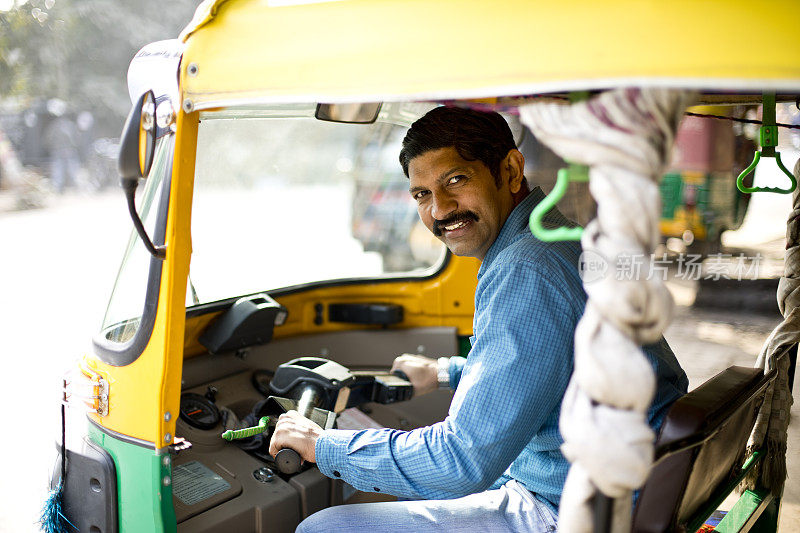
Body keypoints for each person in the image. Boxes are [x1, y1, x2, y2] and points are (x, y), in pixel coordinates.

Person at [269, 107, 689, 532]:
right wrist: (447, 371)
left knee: (324, 528)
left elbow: (461, 460)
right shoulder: (560, 240)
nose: (441, 209)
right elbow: (552, 368)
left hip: (572, 509)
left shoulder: (527, 270)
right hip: (619, 485)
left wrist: (323, 445)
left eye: (456, 180)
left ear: (510, 170)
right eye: (421, 195)